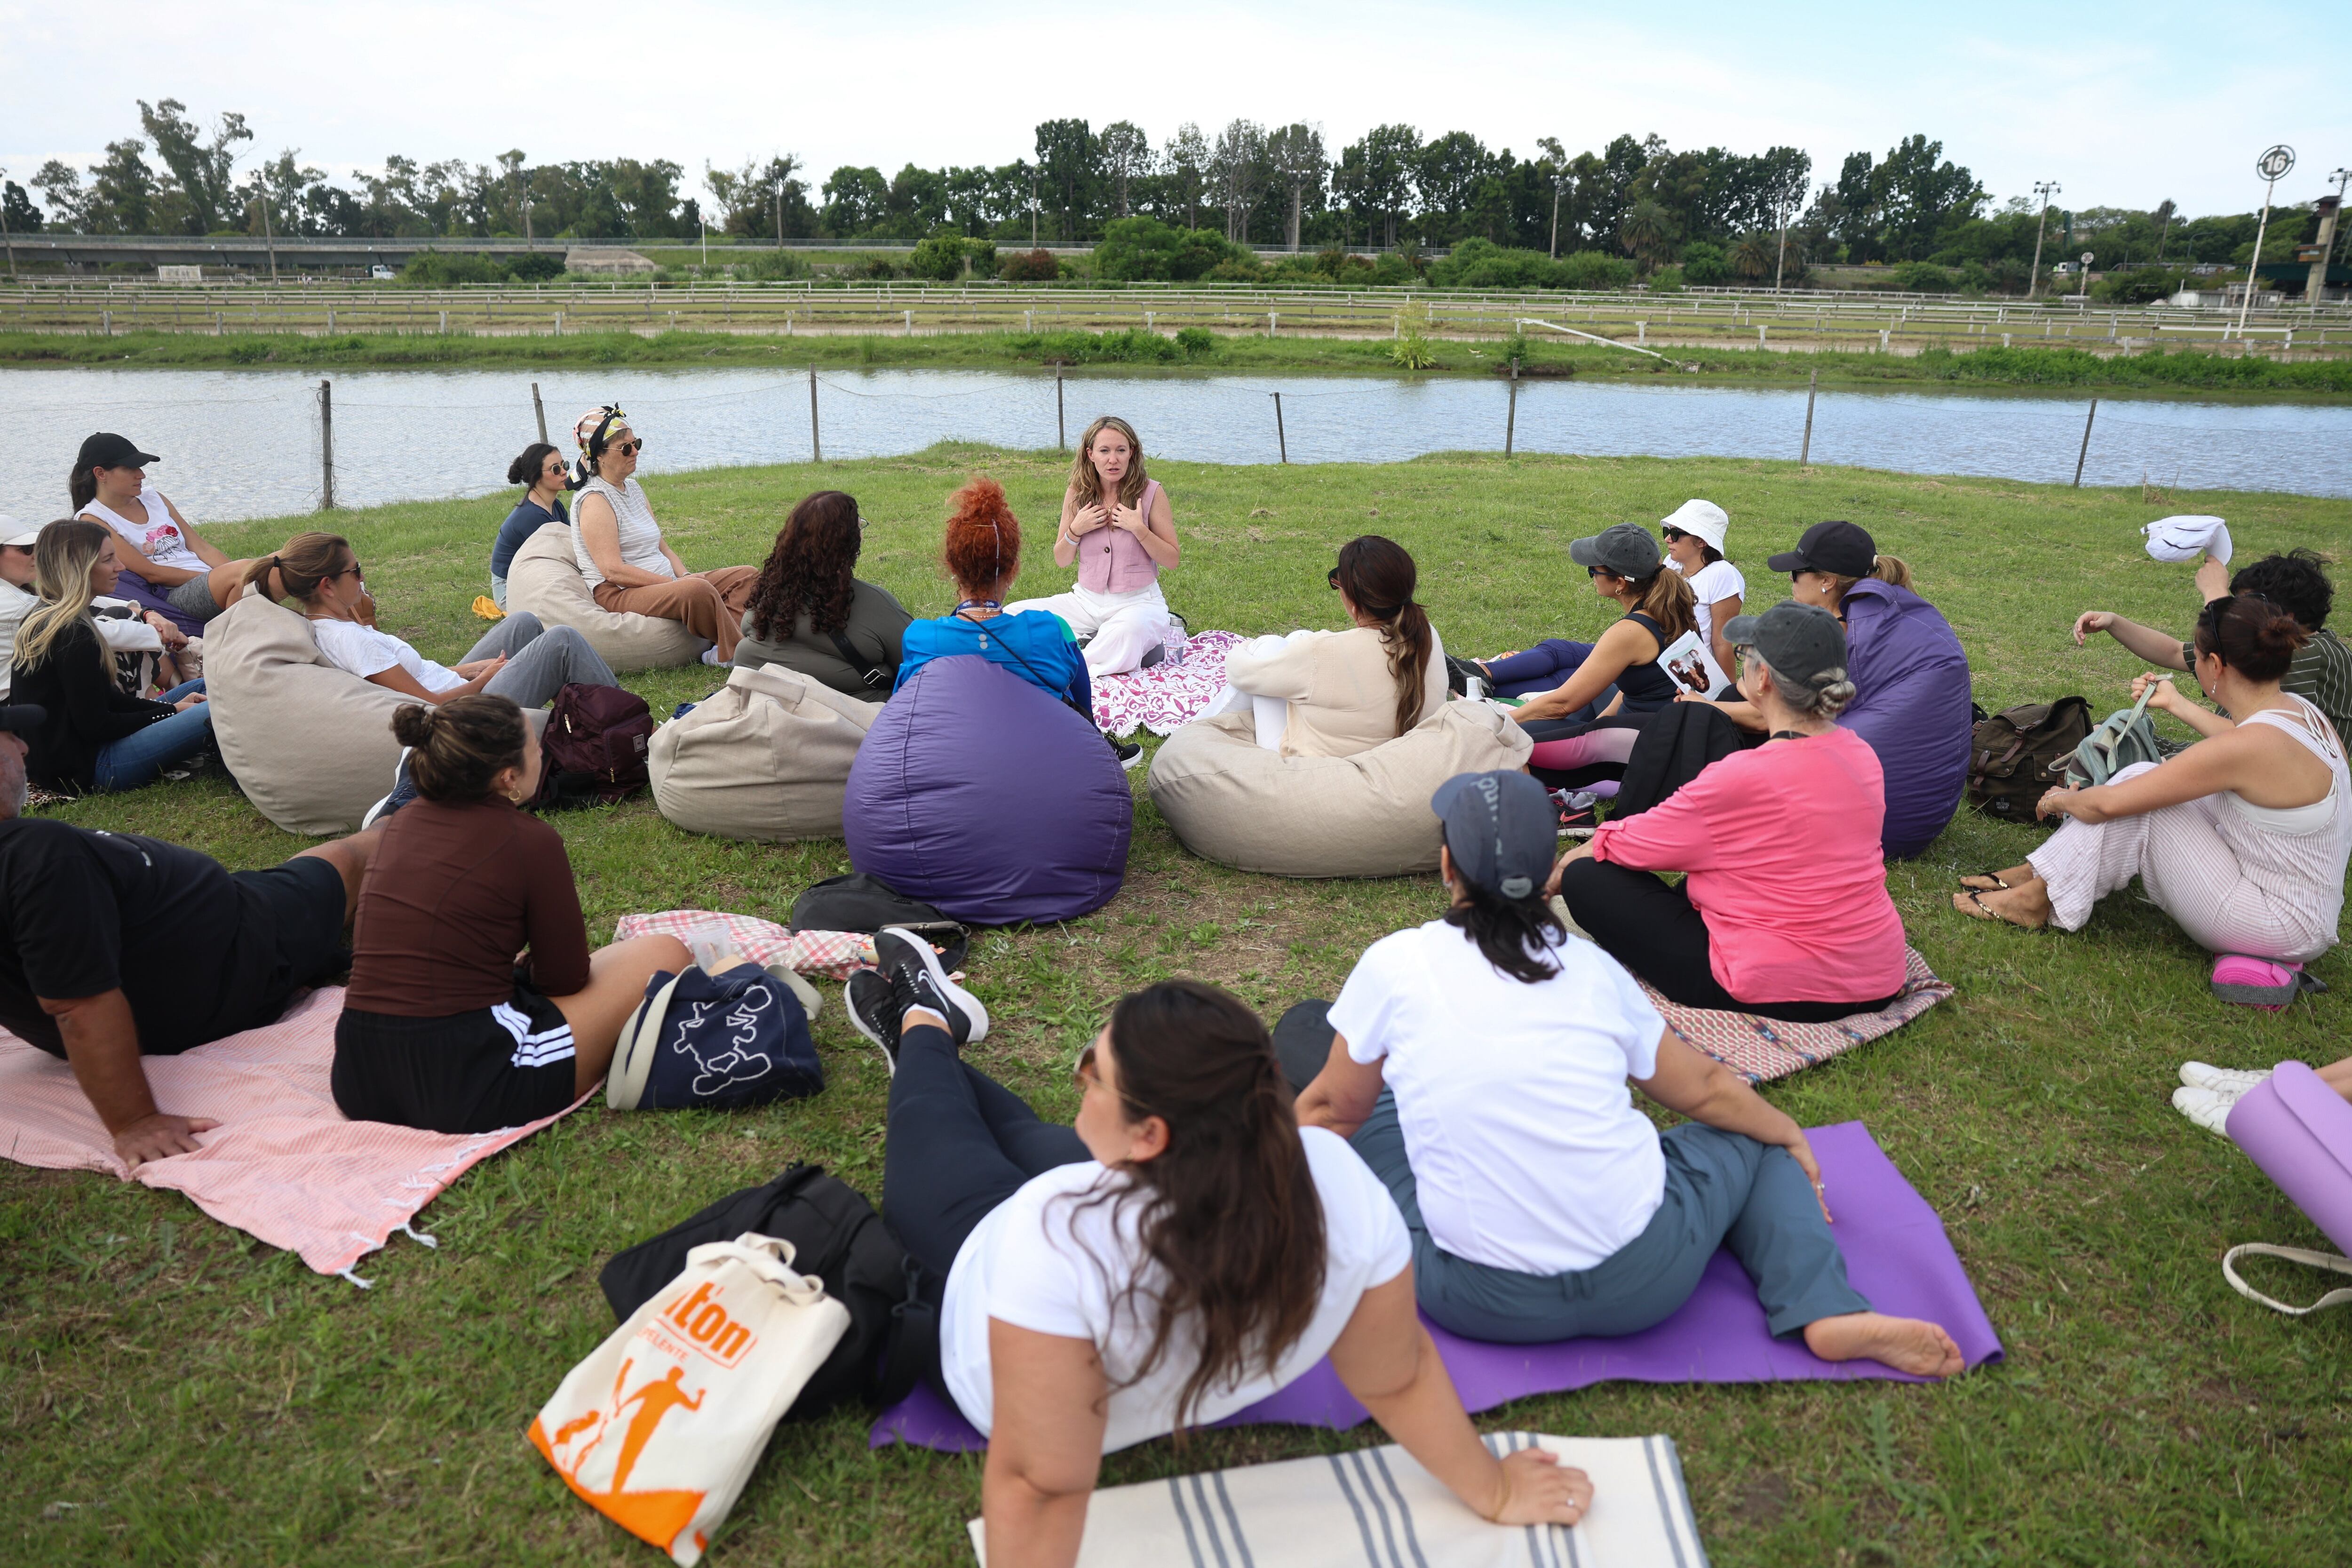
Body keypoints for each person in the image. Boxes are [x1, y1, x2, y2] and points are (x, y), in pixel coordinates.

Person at [854, 935, 1589, 1566]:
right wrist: (1491, 1490)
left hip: (978, 1283)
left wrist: (1497, 1490)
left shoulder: (1056, 1229)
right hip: (1123, 1197)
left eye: (1094, 1074)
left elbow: (1040, 1482)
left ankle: (922, 1020)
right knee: (1010, 1130)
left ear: (1151, 1137)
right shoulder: (1330, 1177)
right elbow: (1397, 1376)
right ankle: (935, 1036)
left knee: (930, 1116)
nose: (1080, 1076)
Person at [1285, 768, 1964, 1369]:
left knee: (1311, 1037)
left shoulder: (1396, 963)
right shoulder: (1594, 972)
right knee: (1746, 1135)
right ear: (1547, 865)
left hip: (1477, 1296)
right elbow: (1705, 1089)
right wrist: (1786, 1134)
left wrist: (1253, 1188)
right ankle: (1826, 1307)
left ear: (1446, 866)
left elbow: (1329, 1113)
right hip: (1647, 1278)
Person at [0, 702, 373, 1165]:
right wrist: (134, 1122)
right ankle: (429, 806)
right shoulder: (38, 860)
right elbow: (79, 1006)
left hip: (198, 941)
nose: (23, 746)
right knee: (354, 854)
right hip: (243, 946)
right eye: (10, 735)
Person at [330, 696, 692, 1135]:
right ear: (509, 778)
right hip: (470, 1084)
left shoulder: (398, 825)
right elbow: (564, 979)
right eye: (537, 746)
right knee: (666, 952)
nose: (544, 751)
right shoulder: (531, 841)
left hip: (357, 1076)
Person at [1553, 602, 1909, 1020]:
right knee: (1694, 885)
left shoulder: (1746, 774)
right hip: (1876, 977)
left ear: (1763, 678)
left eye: (1745, 654)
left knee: (1586, 876)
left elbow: (1626, 844)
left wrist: (1557, 875)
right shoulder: (1860, 754)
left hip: (1773, 984)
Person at [1954, 594, 2350, 966]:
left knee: (2143, 801)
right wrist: (2179, 704)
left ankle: (2036, 896)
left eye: (2195, 657)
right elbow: (2240, 739)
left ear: (2216, 664)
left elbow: (2108, 804)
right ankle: (2040, 876)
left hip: (2278, 924)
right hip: (2301, 906)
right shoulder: (2301, 713)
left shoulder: (2248, 746)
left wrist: (2056, 799)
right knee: (2144, 780)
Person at [1684, 520, 1969, 860]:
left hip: (1874, 824)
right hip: (1920, 810)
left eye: (1796, 573)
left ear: (1827, 581)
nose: (1790, 580)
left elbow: (1779, 720)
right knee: (1735, 699)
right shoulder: (1880, 610)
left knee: (1723, 710)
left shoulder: (1846, 634)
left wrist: (1704, 704)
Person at [895, 476, 1140, 766]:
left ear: (951, 565)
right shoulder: (1052, 630)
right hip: (1044, 772)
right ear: (1013, 569)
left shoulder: (920, 639)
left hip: (953, 771)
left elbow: (903, 717)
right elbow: (1083, 716)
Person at [269, 532, 617, 708]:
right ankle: (629, 724)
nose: (362, 578)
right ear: (327, 586)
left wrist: (465, 670)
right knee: (563, 641)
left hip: (452, 689)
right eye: (355, 571)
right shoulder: (348, 639)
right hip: (461, 718)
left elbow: (411, 677)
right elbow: (429, 705)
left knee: (523, 621)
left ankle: (577, 721)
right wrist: (486, 679)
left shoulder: (335, 626)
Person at [10, 521, 214, 794]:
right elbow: (97, 726)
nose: (121, 566)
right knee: (217, 708)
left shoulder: (53, 615)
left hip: (75, 754)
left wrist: (170, 709)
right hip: (91, 768)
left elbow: (107, 701)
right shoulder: (72, 634)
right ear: (79, 569)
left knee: (203, 687)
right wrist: (172, 711)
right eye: (109, 559)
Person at [2073, 547, 2352, 745]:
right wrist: (2113, 622)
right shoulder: (2284, 648)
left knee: (2115, 749)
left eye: (2247, 605)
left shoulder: (2309, 654)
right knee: (2109, 735)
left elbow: (2251, 743)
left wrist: (2214, 594)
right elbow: (2172, 652)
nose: (2240, 613)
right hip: (2249, 763)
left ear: (2285, 616)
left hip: (2265, 780)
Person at [1205, 535, 1446, 757]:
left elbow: (1241, 673)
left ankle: (1197, 729)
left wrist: (1245, 647)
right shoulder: (1428, 635)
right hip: (1397, 759)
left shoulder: (1323, 653)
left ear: (1352, 601)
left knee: (1268, 647)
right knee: (1298, 636)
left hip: (1316, 769)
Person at [567, 406, 757, 665]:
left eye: (636, 444)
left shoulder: (632, 487)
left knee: (746, 575)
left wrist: (684, 576)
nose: (635, 452)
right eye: (625, 448)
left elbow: (663, 547)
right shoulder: (595, 500)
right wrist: (671, 585)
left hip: (660, 581)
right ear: (599, 456)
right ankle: (735, 652)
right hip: (619, 591)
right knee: (698, 590)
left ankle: (721, 646)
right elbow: (613, 571)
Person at [1450, 524, 1695, 724]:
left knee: (1514, 741)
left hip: (1641, 740)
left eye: (1592, 570)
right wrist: (1599, 724)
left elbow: (1561, 706)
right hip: (1655, 728)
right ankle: (1481, 676)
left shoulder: (1630, 632)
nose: (1592, 577)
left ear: (1620, 583)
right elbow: (1638, 690)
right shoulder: (1673, 611)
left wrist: (1500, 723)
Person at [1005, 415, 1180, 678]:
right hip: (1085, 602)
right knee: (1012, 615)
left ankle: (1069, 670)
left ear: (1132, 453)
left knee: (1127, 631)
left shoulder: (1151, 492)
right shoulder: (1078, 493)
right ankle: (1099, 647)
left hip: (1138, 604)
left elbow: (1172, 559)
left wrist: (1139, 529)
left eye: (1121, 450)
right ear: (1091, 454)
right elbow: (1062, 559)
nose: (1114, 460)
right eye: (1105, 451)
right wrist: (1077, 529)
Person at [71, 431, 274, 630]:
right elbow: (152, 573)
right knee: (245, 574)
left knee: (277, 565)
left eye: (140, 468)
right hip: (176, 592)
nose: (141, 475)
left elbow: (201, 547)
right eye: (130, 468)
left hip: (210, 578)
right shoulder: (93, 520)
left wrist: (241, 572)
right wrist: (221, 575)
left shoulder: (153, 498)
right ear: (100, 474)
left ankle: (291, 628)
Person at [734, 490, 913, 697]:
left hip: (755, 708)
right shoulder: (876, 604)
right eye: (859, 527)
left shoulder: (766, 593)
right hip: (845, 722)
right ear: (849, 542)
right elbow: (920, 665)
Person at [1, 517, 187, 697]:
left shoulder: (17, 593)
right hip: (22, 710)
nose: (36, 554)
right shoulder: (12, 604)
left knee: (122, 616)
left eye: (36, 547)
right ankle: (166, 698)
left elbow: (81, 602)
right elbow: (90, 633)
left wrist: (147, 613)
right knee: (122, 625)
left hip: (42, 699)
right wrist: (160, 634)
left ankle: (170, 697)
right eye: (26, 549)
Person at [1661, 498, 1744, 685]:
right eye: (1667, 531)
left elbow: (1722, 642)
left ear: (1701, 541)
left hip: (1689, 674)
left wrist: (1727, 697)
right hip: (1659, 660)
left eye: (1675, 534)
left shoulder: (1722, 574)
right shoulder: (1672, 563)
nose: (1667, 539)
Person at [490, 443, 572, 610]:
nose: (564, 472)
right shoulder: (532, 517)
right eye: (556, 469)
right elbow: (563, 559)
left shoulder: (555, 505)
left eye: (565, 465)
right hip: (508, 587)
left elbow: (572, 544)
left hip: (532, 577)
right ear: (538, 477)